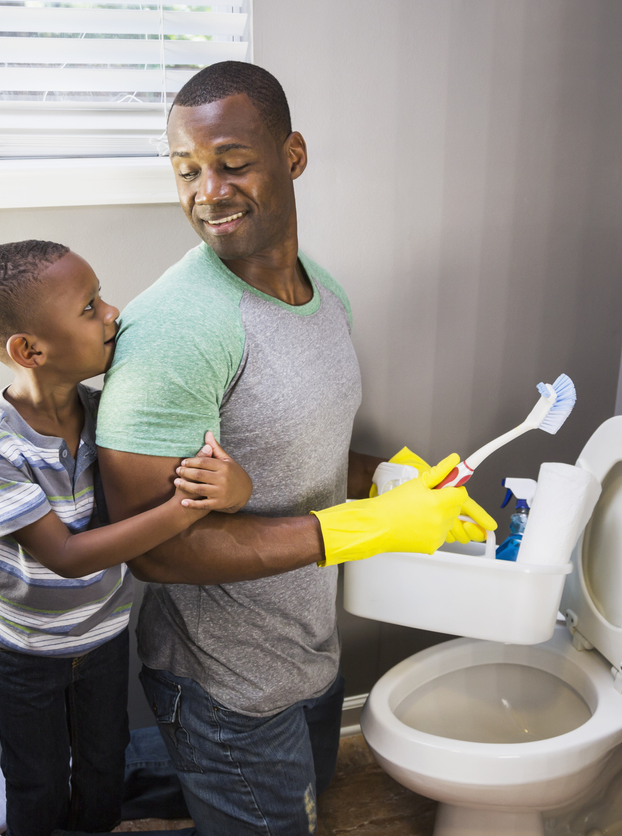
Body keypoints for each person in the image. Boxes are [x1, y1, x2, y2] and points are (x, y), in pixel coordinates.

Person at [95, 62, 496, 835]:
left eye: (233, 164)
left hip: (309, 652)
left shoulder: (324, 295)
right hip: (225, 687)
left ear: (294, 155)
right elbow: (156, 552)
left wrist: (384, 476)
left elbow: (301, 449)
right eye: (187, 171)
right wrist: (362, 528)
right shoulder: (178, 329)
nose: (207, 191)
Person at [0, 240, 253, 836]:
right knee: (36, 778)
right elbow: (65, 557)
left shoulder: (109, 413)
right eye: (90, 307)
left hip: (103, 634)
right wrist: (185, 510)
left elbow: (216, 483)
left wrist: (234, 486)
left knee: (102, 765)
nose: (114, 312)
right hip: (25, 650)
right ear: (29, 349)